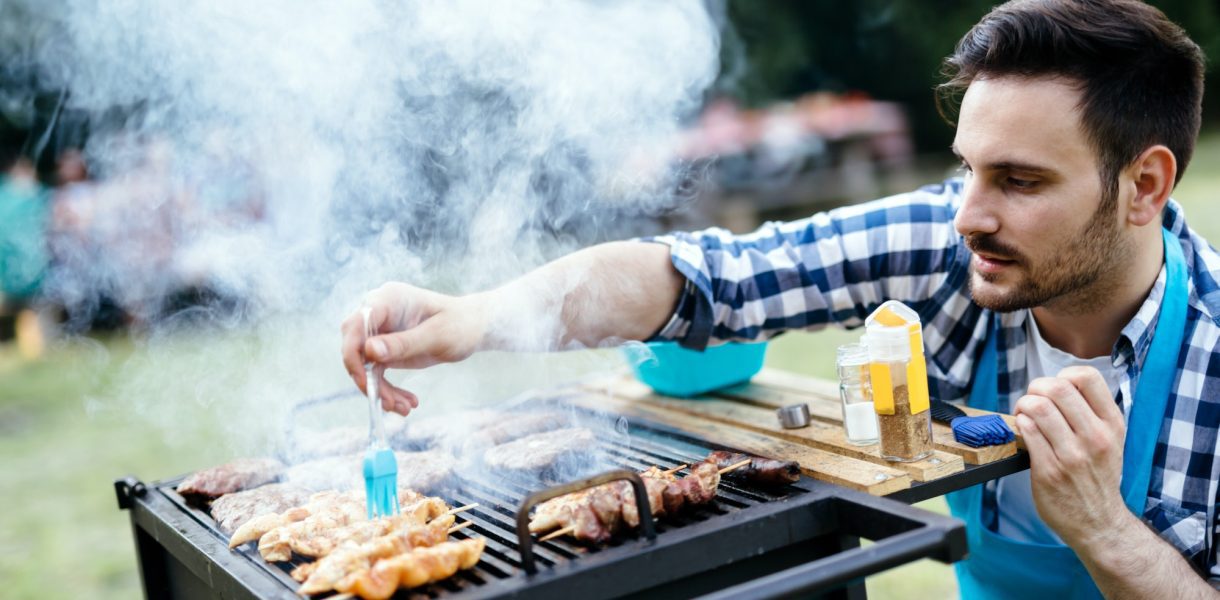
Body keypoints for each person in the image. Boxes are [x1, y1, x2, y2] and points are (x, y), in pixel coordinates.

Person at [341, 1, 1220, 596]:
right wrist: (477, 317)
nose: (965, 216)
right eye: (965, 170)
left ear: (1144, 185)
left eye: (1020, 180)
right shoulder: (955, 245)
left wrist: (1105, 530)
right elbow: (705, 277)